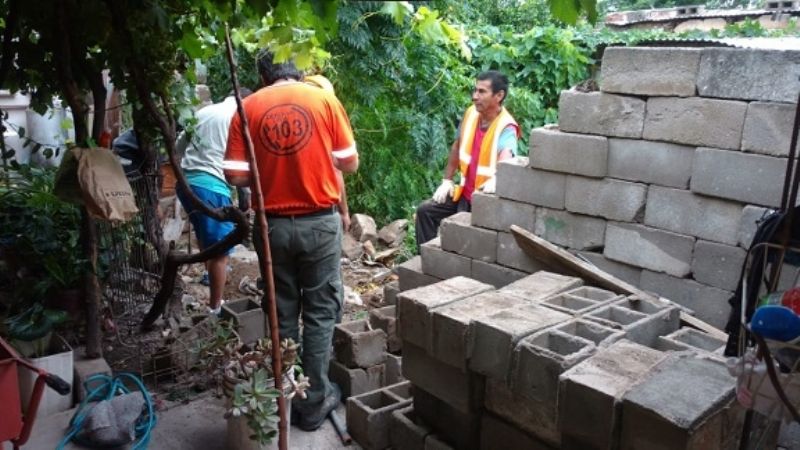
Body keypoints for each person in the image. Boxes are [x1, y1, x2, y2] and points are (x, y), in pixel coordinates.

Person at [223, 51, 358, 432]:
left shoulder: (247, 106)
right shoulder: (324, 100)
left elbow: (233, 176)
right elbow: (349, 162)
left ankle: (286, 395)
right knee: (319, 311)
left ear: (263, 75)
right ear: (297, 70)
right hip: (319, 224)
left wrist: (269, 167)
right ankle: (313, 403)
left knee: (281, 313)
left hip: (272, 227)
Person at [415, 70, 519, 249]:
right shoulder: (471, 114)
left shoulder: (506, 126)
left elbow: (507, 153)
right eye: (475, 90)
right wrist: (447, 180)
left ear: (499, 95)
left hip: (485, 202)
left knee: (465, 243)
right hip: (463, 194)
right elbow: (457, 146)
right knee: (425, 212)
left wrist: (497, 176)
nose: (474, 96)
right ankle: (423, 261)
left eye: (481, 92)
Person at [175, 88, 252, 315]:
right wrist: (247, 192)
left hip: (186, 184)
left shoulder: (204, 112)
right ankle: (215, 309)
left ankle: (210, 276)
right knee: (221, 250)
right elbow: (242, 163)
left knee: (205, 234)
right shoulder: (238, 118)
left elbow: (179, 148)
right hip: (211, 185)